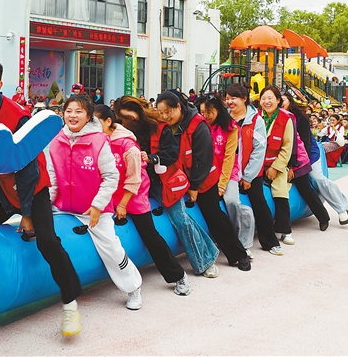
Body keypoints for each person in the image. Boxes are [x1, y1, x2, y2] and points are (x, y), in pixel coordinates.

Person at [0, 57, 83, 336]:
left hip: (31, 187)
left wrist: (26, 214)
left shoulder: (17, 117)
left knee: (48, 242)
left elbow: (28, 171)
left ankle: (70, 305)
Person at [49, 96, 143, 310]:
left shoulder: (99, 141)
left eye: (79, 111)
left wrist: (98, 206)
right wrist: (46, 206)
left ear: (88, 116)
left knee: (111, 247)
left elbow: (111, 177)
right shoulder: (56, 142)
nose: (73, 115)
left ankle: (133, 287)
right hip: (63, 207)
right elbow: (53, 178)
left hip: (94, 209)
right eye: (69, 111)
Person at [114, 95, 221, 278]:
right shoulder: (121, 133)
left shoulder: (159, 127)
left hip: (163, 182)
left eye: (130, 116)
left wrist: (153, 158)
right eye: (124, 118)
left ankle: (205, 261)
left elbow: (172, 153)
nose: (129, 121)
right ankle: (208, 252)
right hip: (138, 184)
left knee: (181, 220)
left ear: (138, 110)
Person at [93, 104, 190, 296]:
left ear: (108, 121)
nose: (92, 127)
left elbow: (135, 178)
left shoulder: (128, 145)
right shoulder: (97, 142)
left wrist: (123, 204)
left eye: (96, 122)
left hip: (133, 194)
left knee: (150, 235)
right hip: (110, 194)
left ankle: (178, 275)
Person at [156, 91, 251, 272]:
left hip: (204, 178)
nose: (165, 116)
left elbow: (204, 159)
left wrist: (194, 186)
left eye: (168, 111)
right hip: (179, 178)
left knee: (213, 215)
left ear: (178, 107)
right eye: (161, 113)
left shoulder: (198, 125)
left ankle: (239, 254)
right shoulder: (167, 126)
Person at [225, 83, 284, 256]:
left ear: (244, 99)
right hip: (229, 170)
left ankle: (270, 241)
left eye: (233, 98)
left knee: (258, 201)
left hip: (250, 170)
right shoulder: (225, 118)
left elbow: (259, 149)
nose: (229, 102)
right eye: (227, 98)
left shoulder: (255, 120)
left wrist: (248, 176)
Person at [198, 95, 256, 258]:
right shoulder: (201, 126)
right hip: (208, 173)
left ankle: (240, 241)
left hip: (227, 172)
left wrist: (222, 184)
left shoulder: (231, 128)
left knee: (231, 201)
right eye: (202, 112)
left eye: (209, 112)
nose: (206, 115)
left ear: (218, 110)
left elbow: (229, 158)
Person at [280, 94, 331, 231]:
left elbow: (304, 143)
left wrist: (292, 165)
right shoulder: (273, 118)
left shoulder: (300, 118)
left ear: (290, 101)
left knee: (304, 187)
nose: (280, 103)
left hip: (300, 157)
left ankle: (323, 217)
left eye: (283, 100)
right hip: (281, 158)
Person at [258, 85, 295, 245]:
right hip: (257, 164)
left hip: (277, 164)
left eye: (270, 98)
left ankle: (285, 230)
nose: (267, 101)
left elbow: (287, 148)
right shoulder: (256, 118)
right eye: (263, 98)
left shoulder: (286, 119)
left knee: (281, 193)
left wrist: (275, 168)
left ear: (278, 100)